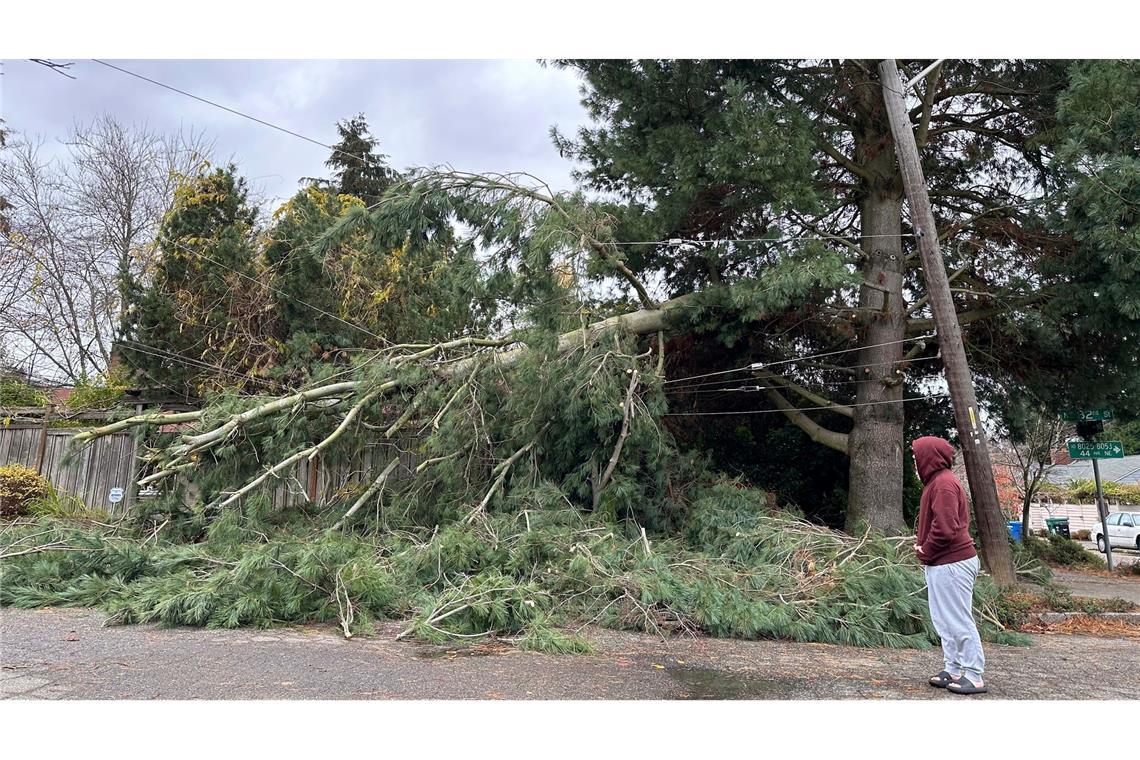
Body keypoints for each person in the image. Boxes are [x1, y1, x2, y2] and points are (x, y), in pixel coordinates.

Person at [911, 435, 987, 695]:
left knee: (957, 619)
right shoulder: (936, 482)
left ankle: (974, 675)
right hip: (944, 563)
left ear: (928, 456)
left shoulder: (943, 484)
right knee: (943, 620)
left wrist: (925, 551)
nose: (914, 460)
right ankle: (953, 669)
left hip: (952, 563)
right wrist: (926, 552)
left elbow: (945, 529)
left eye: (915, 455)